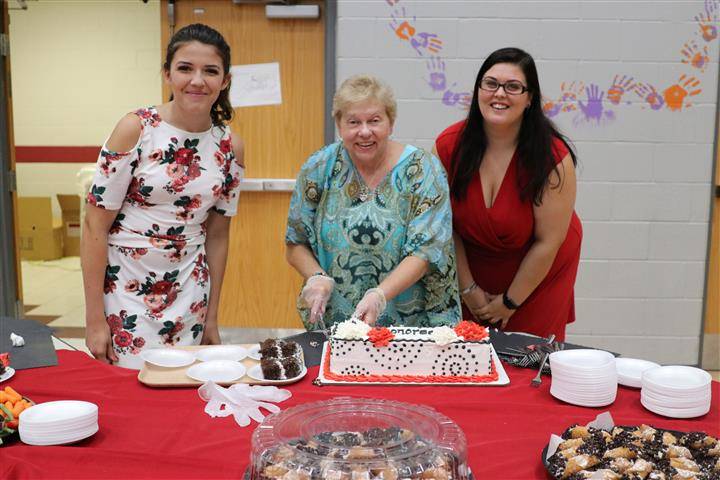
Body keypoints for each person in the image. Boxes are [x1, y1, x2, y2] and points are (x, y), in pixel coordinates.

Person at [81, 24, 244, 368]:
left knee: (184, 388)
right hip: (126, 286)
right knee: (132, 393)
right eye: (185, 68)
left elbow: (218, 235)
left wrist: (212, 316)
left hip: (189, 287)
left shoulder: (230, 146)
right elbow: (94, 227)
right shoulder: (136, 129)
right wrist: (94, 319)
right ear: (167, 73)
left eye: (210, 71)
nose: (197, 80)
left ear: (225, 81)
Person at [286, 75, 460, 329]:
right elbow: (295, 242)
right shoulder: (320, 166)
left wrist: (380, 295)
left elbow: (426, 252)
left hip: (413, 326)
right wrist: (316, 276)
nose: (364, 131)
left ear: (391, 122)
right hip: (339, 325)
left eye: (374, 121)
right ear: (339, 124)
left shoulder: (424, 171)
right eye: (353, 122)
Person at [434, 47, 582, 342]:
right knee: (468, 354)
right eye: (491, 83)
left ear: (529, 99)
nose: (499, 93)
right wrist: (468, 290)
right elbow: (445, 229)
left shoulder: (553, 157)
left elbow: (548, 242)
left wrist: (510, 302)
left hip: (539, 271)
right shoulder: (449, 146)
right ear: (478, 90)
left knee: (528, 358)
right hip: (470, 269)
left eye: (513, 87)